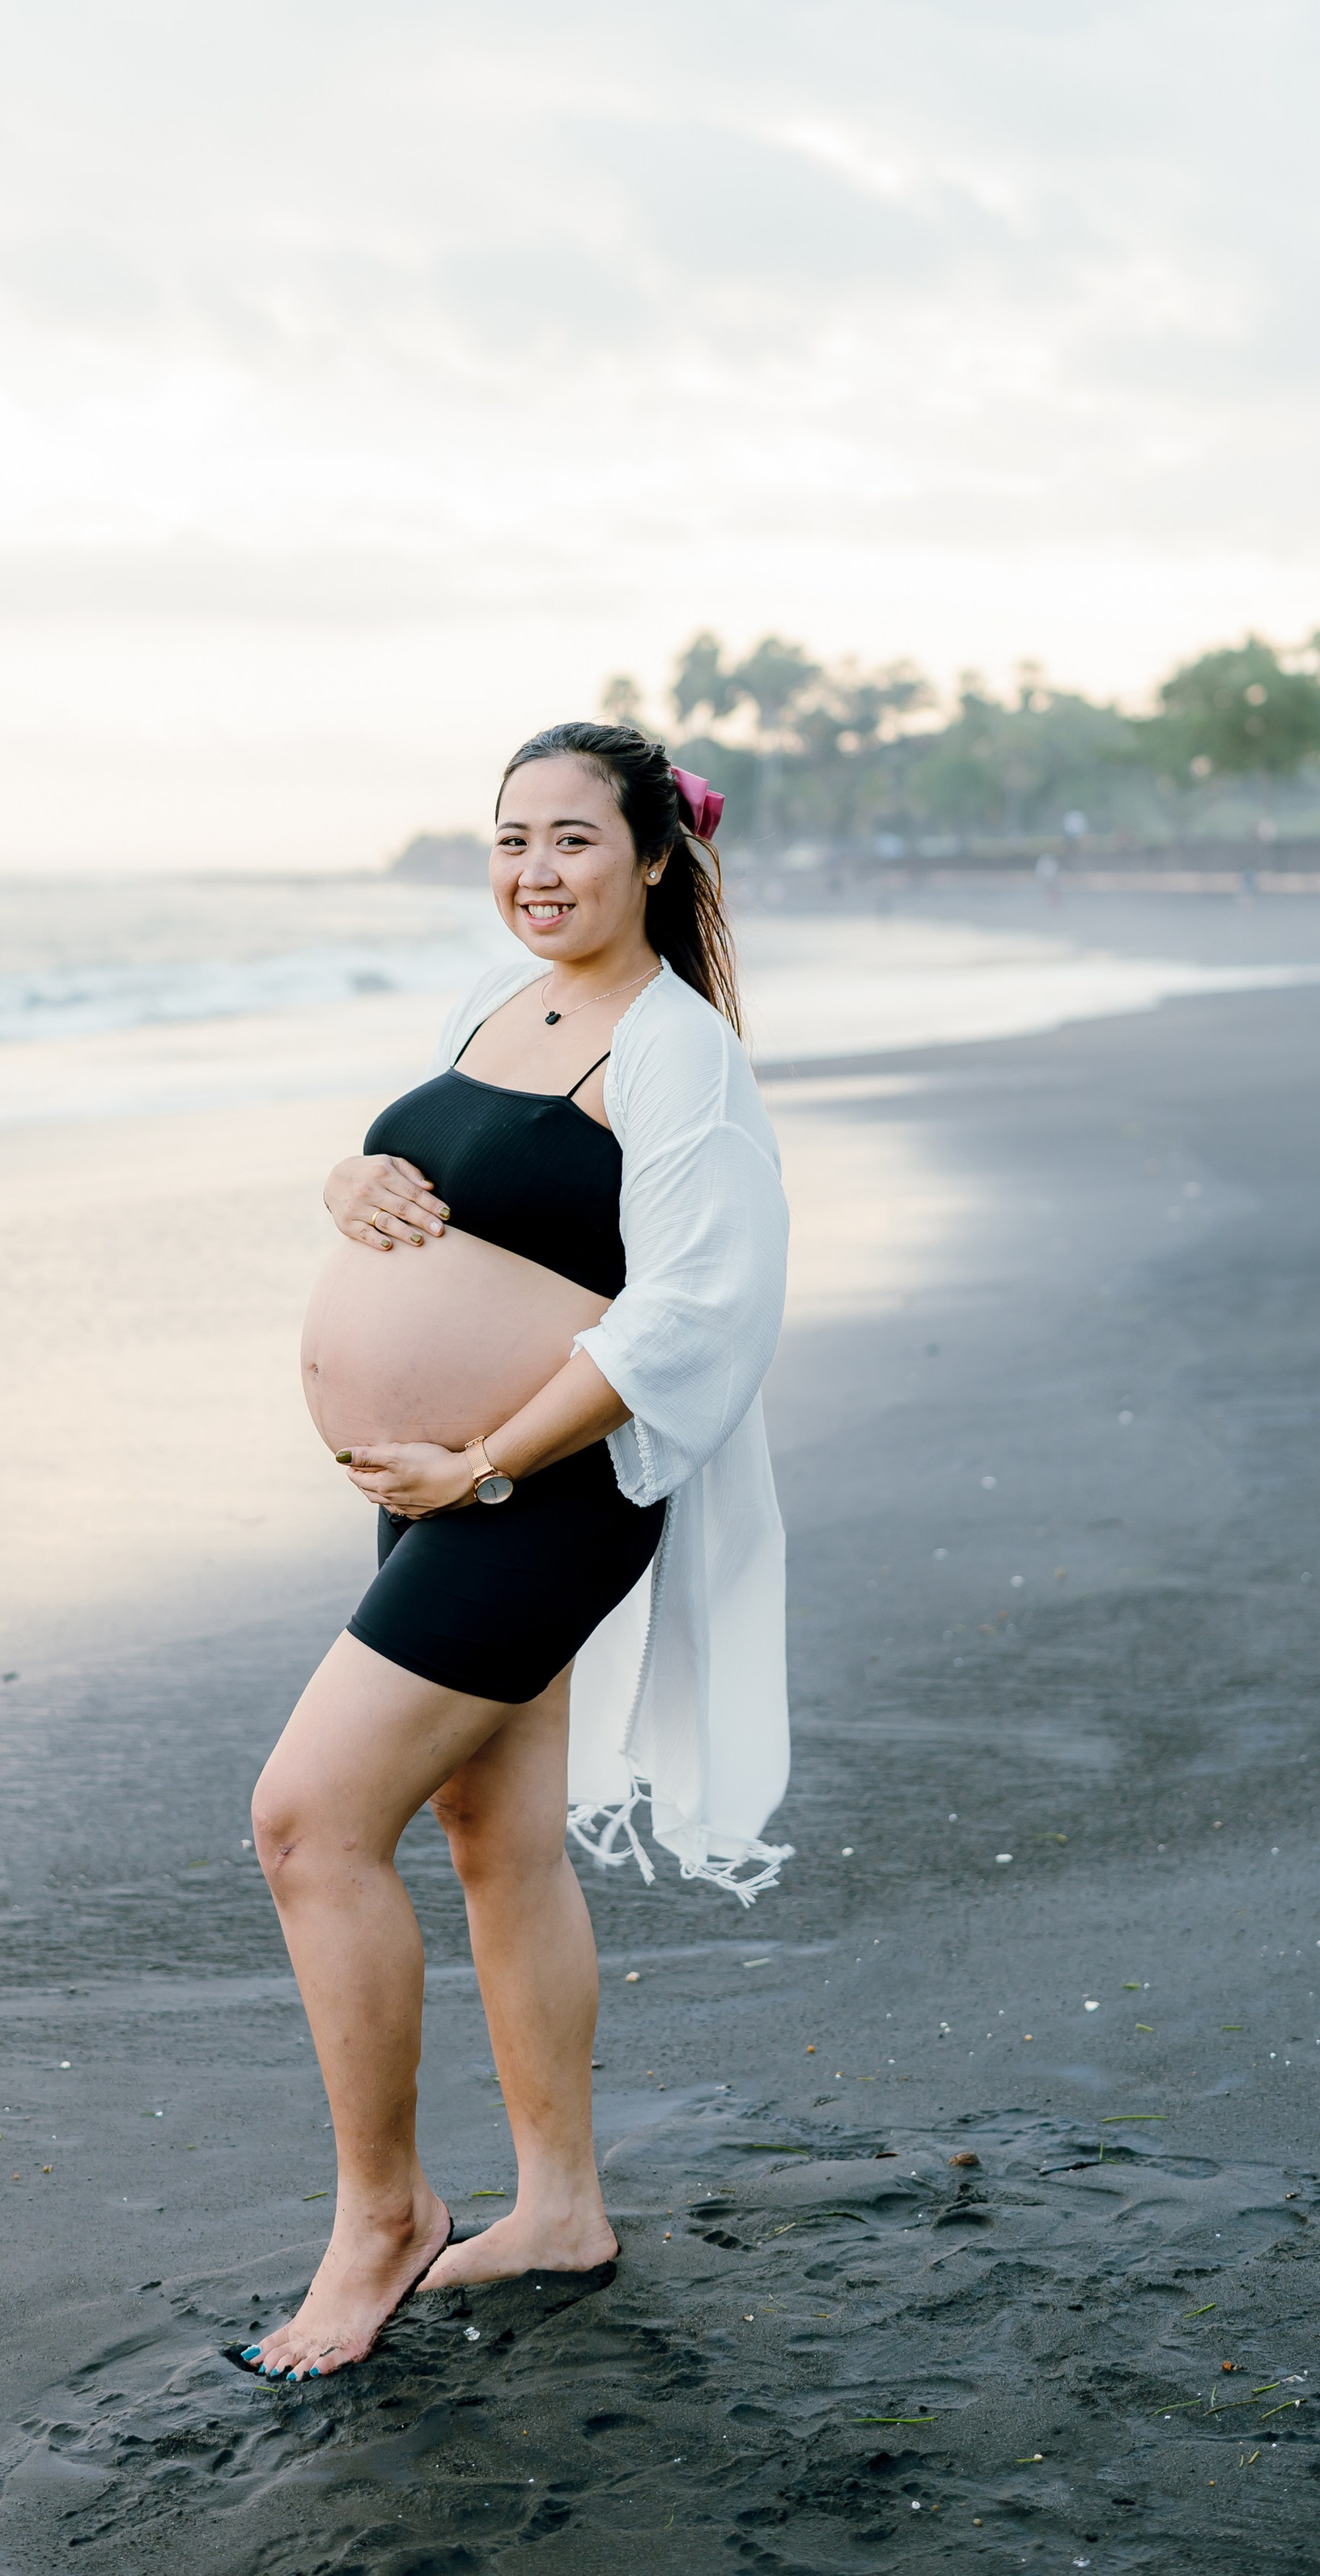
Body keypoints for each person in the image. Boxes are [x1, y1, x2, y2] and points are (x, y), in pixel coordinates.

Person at [232, 720, 791, 2385]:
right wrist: (352, 1183)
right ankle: (558, 2206)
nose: (533, 872)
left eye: (568, 841)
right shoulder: (502, 1005)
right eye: (509, 841)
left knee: (307, 1821)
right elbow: (444, 1184)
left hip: (539, 1492)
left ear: (651, 858)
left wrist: (480, 1462)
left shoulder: (677, 1050)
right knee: (497, 1837)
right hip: (441, 1485)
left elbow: (702, 1313)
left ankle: (382, 2216)